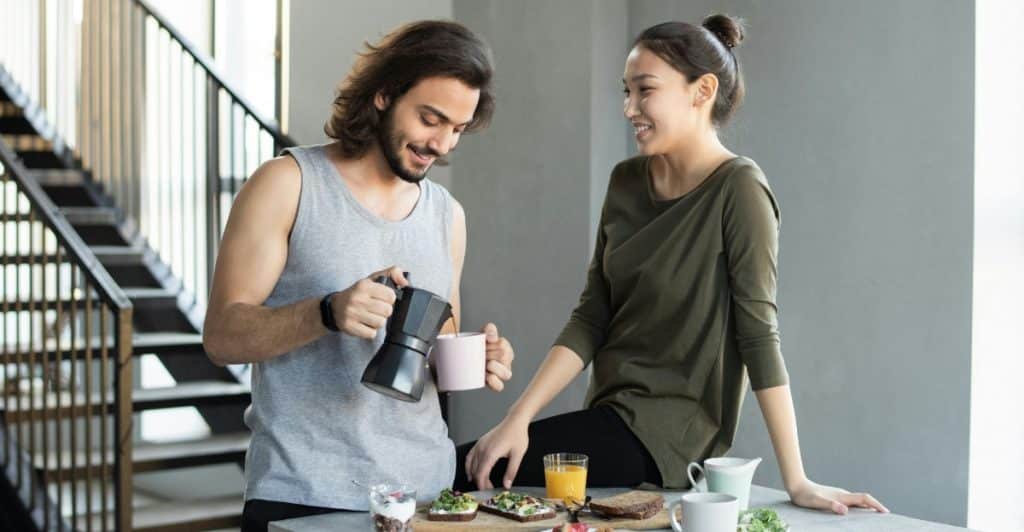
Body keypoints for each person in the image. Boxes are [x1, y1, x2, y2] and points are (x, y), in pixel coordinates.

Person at [455, 15, 888, 516]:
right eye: (626, 92)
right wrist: (518, 418)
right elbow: (591, 317)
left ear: (702, 90)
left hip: (667, 443)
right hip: (609, 419)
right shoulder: (625, 182)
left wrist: (797, 478)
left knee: (463, 468)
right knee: (476, 466)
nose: (628, 108)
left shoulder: (739, 190)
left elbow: (758, 335)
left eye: (645, 91)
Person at [202, 20, 515, 531]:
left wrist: (478, 359)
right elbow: (221, 337)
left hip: (428, 497)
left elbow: (439, 346)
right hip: (304, 496)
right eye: (430, 119)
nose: (442, 144)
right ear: (384, 94)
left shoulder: (447, 215)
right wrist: (325, 312)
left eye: (457, 129)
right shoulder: (287, 184)